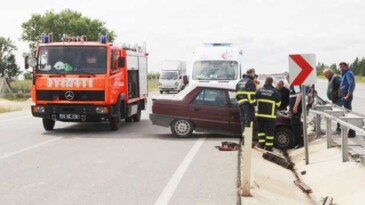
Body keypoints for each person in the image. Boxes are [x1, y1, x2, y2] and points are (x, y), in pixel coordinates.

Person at [255, 77, 281, 152]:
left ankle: (261, 144)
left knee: (261, 131)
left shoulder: (259, 90)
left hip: (260, 115)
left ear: (265, 82)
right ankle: (269, 147)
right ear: (272, 82)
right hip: (270, 116)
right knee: (269, 133)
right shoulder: (275, 92)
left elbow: (254, 101)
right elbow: (278, 104)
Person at [236, 68, 257, 141]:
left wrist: (239, 102)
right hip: (248, 104)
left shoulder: (240, 82)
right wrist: (255, 104)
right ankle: (247, 140)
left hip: (240, 104)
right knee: (249, 121)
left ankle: (244, 139)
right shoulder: (250, 82)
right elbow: (251, 96)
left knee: (243, 121)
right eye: (254, 73)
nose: (254, 75)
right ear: (252, 73)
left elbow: (236, 94)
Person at [339, 62, 356, 138]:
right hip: (345, 95)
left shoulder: (348, 73)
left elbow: (351, 84)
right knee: (347, 113)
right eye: (340, 67)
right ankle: (351, 131)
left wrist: (347, 95)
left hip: (347, 96)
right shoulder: (345, 73)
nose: (341, 68)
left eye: (342, 67)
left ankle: (352, 132)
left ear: (346, 66)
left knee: (348, 114)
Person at [288, 75, 304, 149]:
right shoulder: (292, 85)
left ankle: (300, 142)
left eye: (287, 79)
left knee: (295, 124)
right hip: (293, 109)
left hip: (295, 109)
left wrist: (295, 106)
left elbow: (299, 94)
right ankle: (298, 141)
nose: (287, 81)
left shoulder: (295, 84)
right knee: (294, 124)